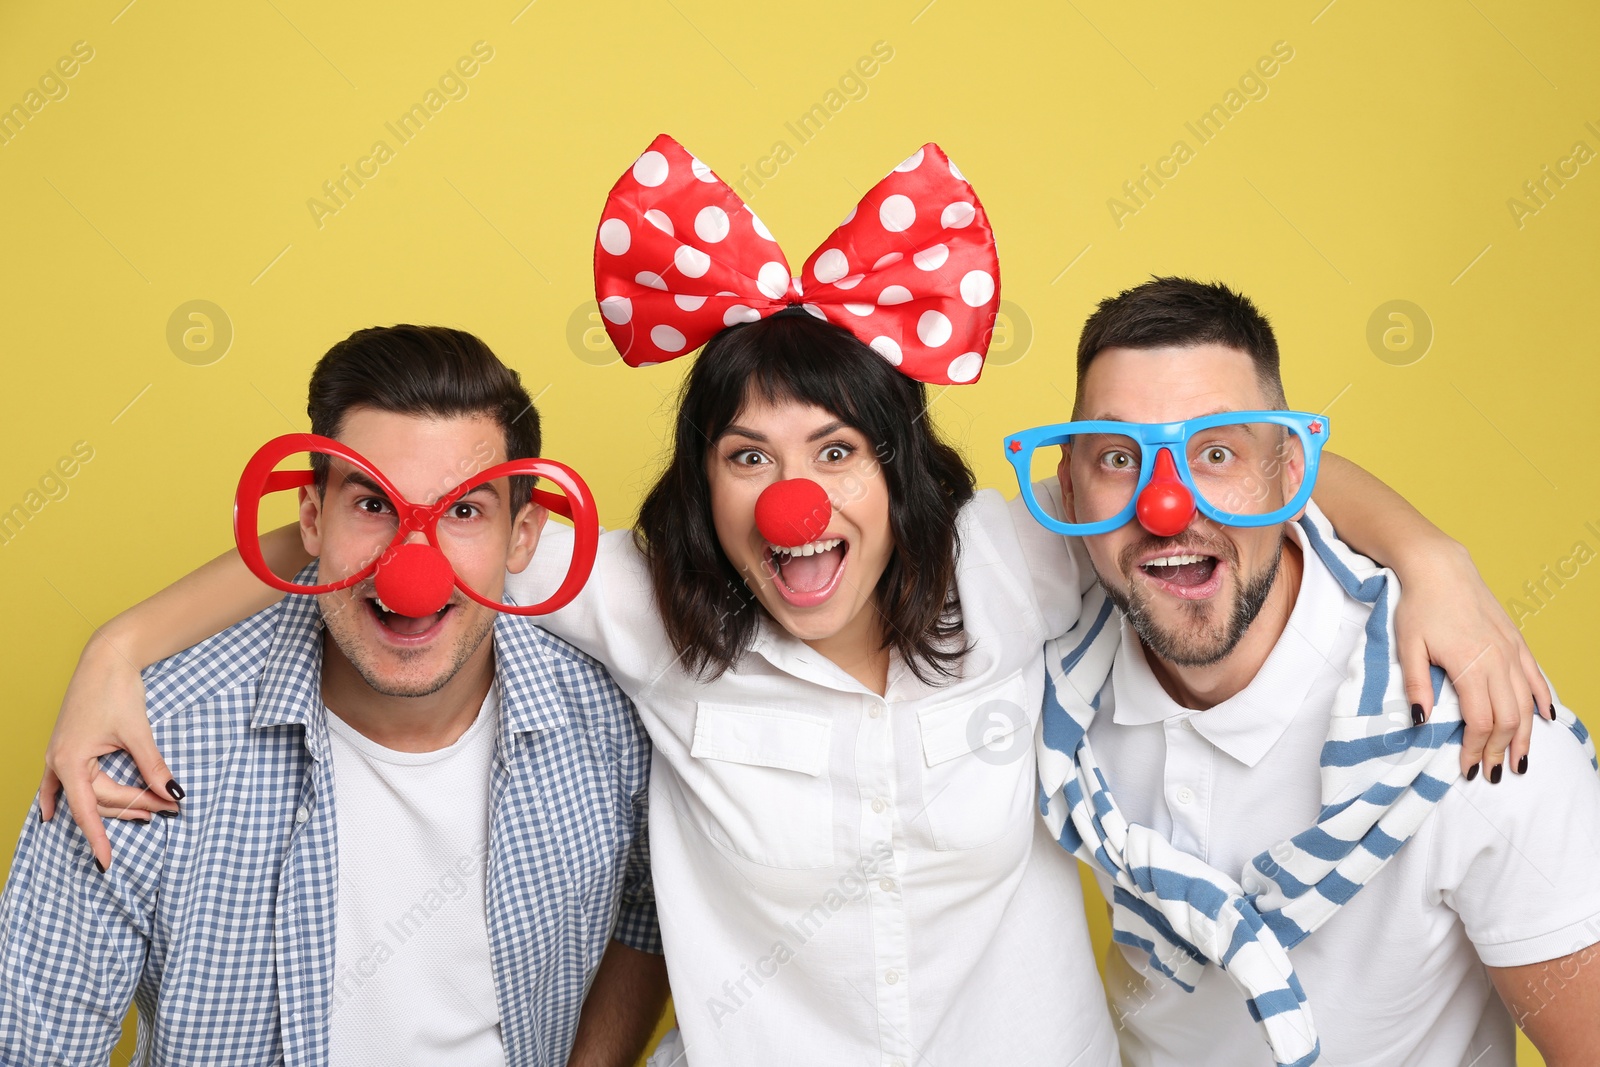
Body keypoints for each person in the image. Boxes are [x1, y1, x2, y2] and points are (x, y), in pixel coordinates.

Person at [28, 141, 1548, 1066]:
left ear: (898, 471)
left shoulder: (1015, 566)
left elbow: (1193, 473)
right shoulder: (635, 602)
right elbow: (402, 537)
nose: (794, 499)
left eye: (833, 452)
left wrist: (1431, 555)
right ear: (703, 483)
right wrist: (126, 642)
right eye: (748, 455)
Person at [0, 326, 668, 1066]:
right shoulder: (141, 746)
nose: (413, 567)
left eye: (466, 511)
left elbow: (647, 909)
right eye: (374, 505)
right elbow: (36, 1045)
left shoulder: (609, 725)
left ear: (524, 537)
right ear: (312, 519)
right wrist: (115, 650)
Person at [1014, 277, 1600, 1066]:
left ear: (1290, 475)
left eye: (1214, 453)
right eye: (1121, 457)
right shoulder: (1041, 650)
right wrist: (1428, 548)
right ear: (1072, 481)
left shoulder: (1477, 729)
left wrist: (1434, 560)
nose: (1164, 506)